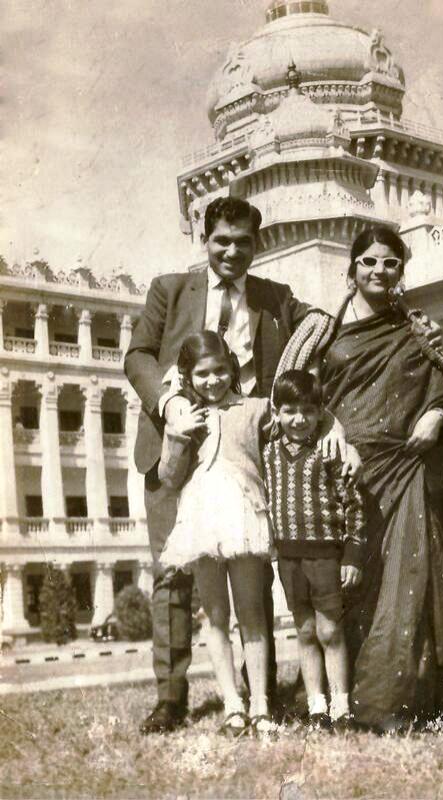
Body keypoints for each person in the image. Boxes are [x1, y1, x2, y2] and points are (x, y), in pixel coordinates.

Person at [124, 196, 359, 735]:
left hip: (249, 447)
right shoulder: (170, 289)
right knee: (173, 577)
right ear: (204, 240)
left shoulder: (274, 297)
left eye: (243, 242)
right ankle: (171, 698)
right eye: (221, 240)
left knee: (256, 572)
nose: (232, 251)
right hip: (175, 446)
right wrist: (170, 403)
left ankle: (262, 697)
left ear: (257, 244)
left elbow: (327, 331)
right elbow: (138, 356)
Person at [278, 225, 443, 734]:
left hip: (403, 466)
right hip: (342, 473)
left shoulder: (417, 330)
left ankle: (397, 699)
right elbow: (293, 394)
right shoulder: (324, 331)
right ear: (352, 269)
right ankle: (339, 699)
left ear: (401, 272)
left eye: (390, 263)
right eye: (369, 262)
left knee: (407, 579)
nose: (379, 271)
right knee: (346, 587)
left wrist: (437, 413)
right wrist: (332, 428)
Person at [157, 331, 277, 737]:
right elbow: (169, 478)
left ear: (233, 368)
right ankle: (233, 704)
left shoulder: (257, 408)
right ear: (188, 377)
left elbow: (299, 423)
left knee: (252, 612)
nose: (213, 381)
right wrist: (176, 434)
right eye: (203, 374)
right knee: (215, 616)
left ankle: (260, 703)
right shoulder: (187, 417)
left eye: (221, 371)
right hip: (202, 517)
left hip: (244, 514)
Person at [263, 370, 367, 733]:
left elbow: (353, 504)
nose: (298, 419)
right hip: (289, 558)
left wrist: (352, 555)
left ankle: (341, 707)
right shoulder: (269, 453)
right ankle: (316, 706)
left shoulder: (330, 450)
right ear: (276, 413)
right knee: (305, 630)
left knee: (330, 631)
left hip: (325, 555)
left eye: (307, 410)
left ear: (321, 412)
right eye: (289, 410)